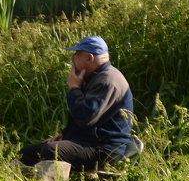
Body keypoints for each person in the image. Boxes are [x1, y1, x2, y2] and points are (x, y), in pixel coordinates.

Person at [18, 35, 138, 173]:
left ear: (90, 58)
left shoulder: (107, 81)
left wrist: (74, 88)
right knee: (26, 153)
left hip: (106, 149)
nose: (73, 57)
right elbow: (87, 120)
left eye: (77, 54)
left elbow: (85, 118)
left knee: (52, 150)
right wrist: (66, 135)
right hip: (90, 141)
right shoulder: (95, 76)